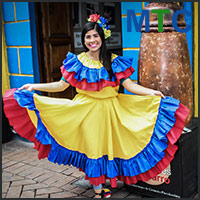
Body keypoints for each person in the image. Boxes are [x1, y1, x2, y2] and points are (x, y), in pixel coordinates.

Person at [3, 14, 189, 198]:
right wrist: (35, 86)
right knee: (94, 149)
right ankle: (98, 191)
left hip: (112, 112)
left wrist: (151, 92)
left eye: (95, 36)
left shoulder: (114, 60)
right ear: (83, 40)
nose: (92, 40)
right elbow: (60, 86)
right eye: (88, 37)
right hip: (86, 113)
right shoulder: (77, 62)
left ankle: (103, 183)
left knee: (110, 148)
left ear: (102, 38)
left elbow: (129, 85)